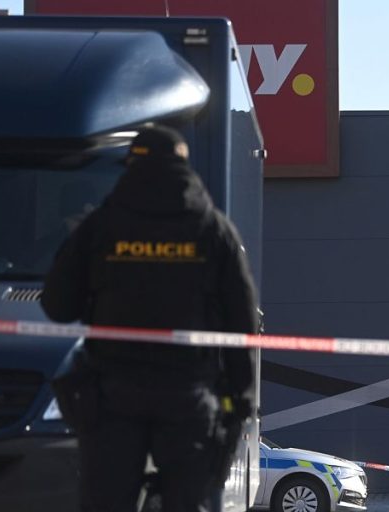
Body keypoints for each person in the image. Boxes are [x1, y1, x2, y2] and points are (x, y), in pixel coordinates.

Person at [41, 126, 259, 512]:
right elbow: (240, 323)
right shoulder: (214, 230)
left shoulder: (100, 227)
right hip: (189, 398)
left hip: (112, 395)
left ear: (132, 166)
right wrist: (240, 400)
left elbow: (58, 306)